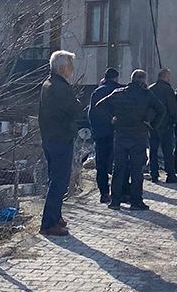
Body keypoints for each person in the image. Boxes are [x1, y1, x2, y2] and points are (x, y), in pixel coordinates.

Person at [38, 50, 83, 237]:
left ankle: (55, 216)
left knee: (55, 179)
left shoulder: (48, 84)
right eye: (70, 65)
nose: (72, 69)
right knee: (59, 181)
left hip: (50, 137)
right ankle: (49, 223)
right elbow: (75, 109)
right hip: (60, 138)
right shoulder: (60, 87)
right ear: (63, 68)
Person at [103, 70, 159, 210]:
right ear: (143, 80)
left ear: (132, 78)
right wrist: (151, 124)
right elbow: (161, 110)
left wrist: (112, 118)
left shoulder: (119, 92)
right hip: (139, 135)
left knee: (118, 169)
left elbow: (100, 105)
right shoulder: (146, 94)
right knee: (136, 170)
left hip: (121, 135)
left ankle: (115, 201)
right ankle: (136, 202)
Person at [88, 68, 122, 204]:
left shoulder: (97, 92)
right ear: (116, 78)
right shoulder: (119, 91)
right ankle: (119, 193)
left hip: (101, 133)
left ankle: (104, 193)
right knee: (118, 163)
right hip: (116, 133)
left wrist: (95, 130)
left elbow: (91, 113)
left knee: (101, 164)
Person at [147, 69, 177, 184]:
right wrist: (174, 120)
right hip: (165, 124)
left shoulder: (150, 88)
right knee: (167, 150)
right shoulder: (167, 89)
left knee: (153, 150)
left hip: (152, 124)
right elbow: (172, 107)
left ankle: (154, 174)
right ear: (165, 76)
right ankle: (170, 174)